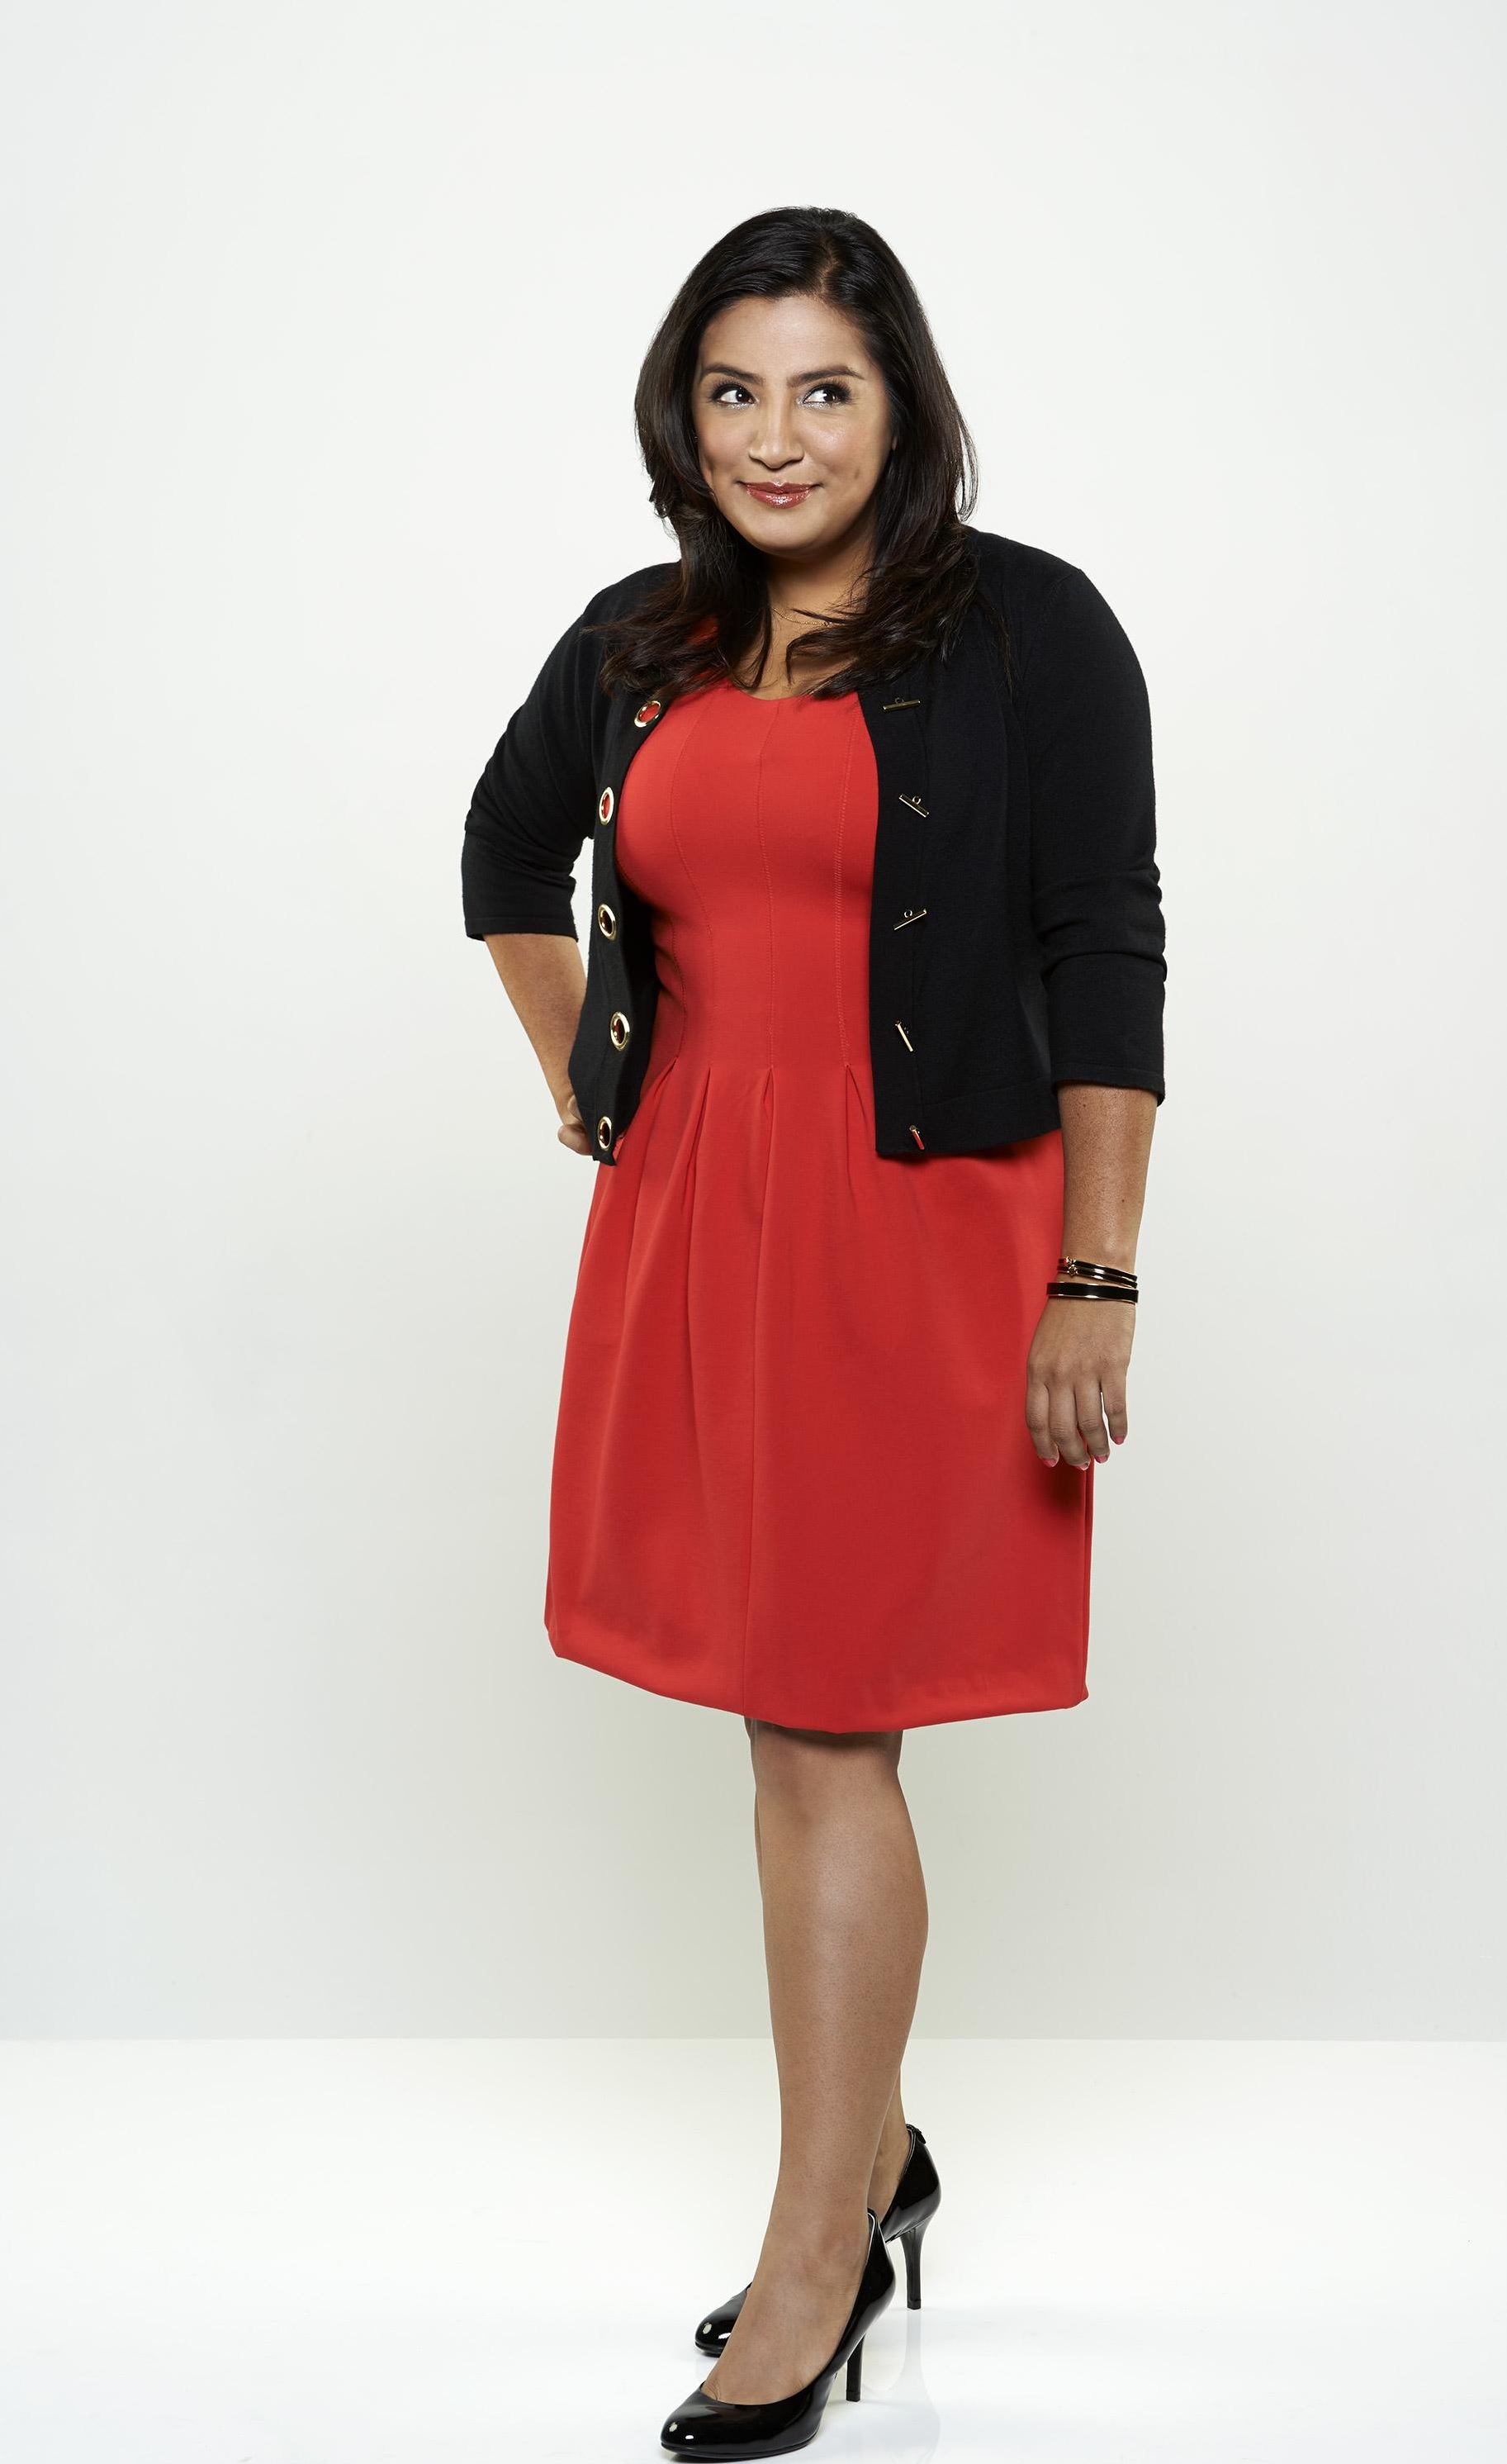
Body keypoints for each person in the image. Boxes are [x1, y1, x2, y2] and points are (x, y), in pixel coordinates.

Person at [461, 205, 1165, 2458]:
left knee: (822, 1725)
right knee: (786, 1722)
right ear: (684, 416)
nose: (777, 436)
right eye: (734, 390)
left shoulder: (1031, 629)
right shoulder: (642, 638)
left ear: (901, 409)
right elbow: (503, 854)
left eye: (825, 391)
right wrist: (596, 1082)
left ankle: (815, 2249)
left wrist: (1095, 1268)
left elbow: (1106, 943)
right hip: (698, 1219)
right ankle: (872, 2166)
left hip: (924, 1223)